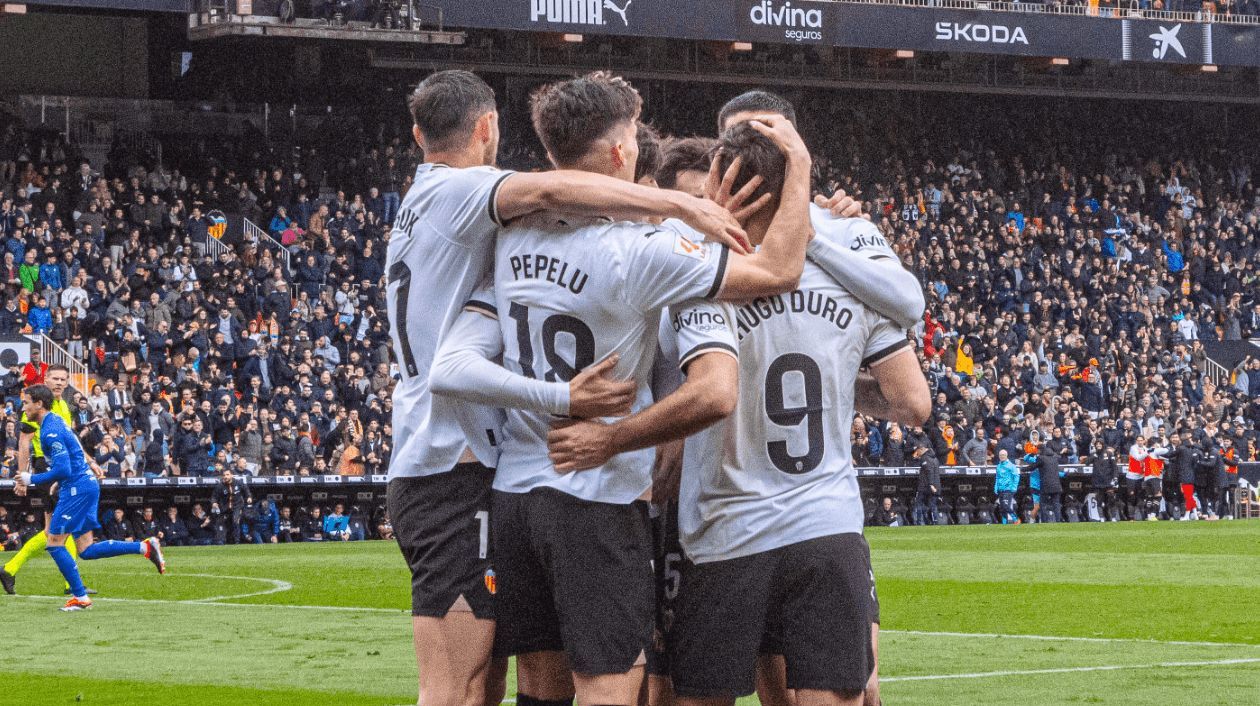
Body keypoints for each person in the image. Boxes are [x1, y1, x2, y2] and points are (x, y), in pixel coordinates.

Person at [385, 69, 746, 706]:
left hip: (484, 469)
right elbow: (554, 187)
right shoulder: (467, 191)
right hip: (460, 461)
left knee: (499, 682)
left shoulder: (476, 225)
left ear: (418, 134)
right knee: (458, 688)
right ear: (488, 127)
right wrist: (681, 206)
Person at [542, 115, 930, 706]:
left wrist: (609, 440)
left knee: (689, 693)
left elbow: (699, 381)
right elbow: (912, 400)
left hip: (725, 530)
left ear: (730, 188)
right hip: (824, 524)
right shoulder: (858, 277)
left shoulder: (697, 277)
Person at [10, 385, 164, 611]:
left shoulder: (50, 431)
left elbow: (63, 468)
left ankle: (80, 597)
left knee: (54, 543)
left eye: (26, 403)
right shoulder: (55, 421)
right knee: (86, 550)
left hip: (77, 488)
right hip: (82, 485)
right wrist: (60, 482)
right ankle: (144, 547)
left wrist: (30, 478)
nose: (23, 408)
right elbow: (72, 455)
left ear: (39, 404)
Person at [0, 364, 93, 595]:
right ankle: (71, 585)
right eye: (55, 378)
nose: (59, 382)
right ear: (46, 379)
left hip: (63, 468)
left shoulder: (63, 406)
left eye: (63, 379)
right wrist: (21, 478)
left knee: (53, 529)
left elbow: (71, 441)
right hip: (48, 468)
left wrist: (89, 461)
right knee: (62, 526)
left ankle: (10, 569)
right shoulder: (35, 405)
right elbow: (24, 443)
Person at [211, 468, 253, 544]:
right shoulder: (220, 486)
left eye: (227, 475)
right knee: (223, 524)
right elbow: (214, 496)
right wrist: (214, 503)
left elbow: (246, 490)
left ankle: (237, 542)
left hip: (237, 506)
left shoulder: (239, 483)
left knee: (235, 521)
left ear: (232, 475)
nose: (225, 477)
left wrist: (249, 497)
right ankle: (224, 541)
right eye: (224, 475)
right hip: (225, 508)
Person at [914, 443, 941, 525]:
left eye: (917, 451)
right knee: (933, 505)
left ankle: (919, 522)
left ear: (921, 449)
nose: (917, 453)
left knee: (919, 503)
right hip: (936, 484)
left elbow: (929, 471)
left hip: (926, 486)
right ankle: (935, 522)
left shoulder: (925, 458)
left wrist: (931, 484)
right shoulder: (934, 457)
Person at [994, 449, 1020, 524]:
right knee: (1002, 508)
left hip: (1008, 489)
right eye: (1000, 455)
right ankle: (1004, 523)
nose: (1002, 456)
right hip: (1000, 489)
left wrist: (1014, 487)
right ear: (999, 456)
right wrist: (996, 487)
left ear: (1006, 455)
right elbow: (997, 477)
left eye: (1003, 455)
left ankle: (1016, 519)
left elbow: (1016, 476)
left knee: (1006, 506)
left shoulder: (1011, 466)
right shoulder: (998, 466)